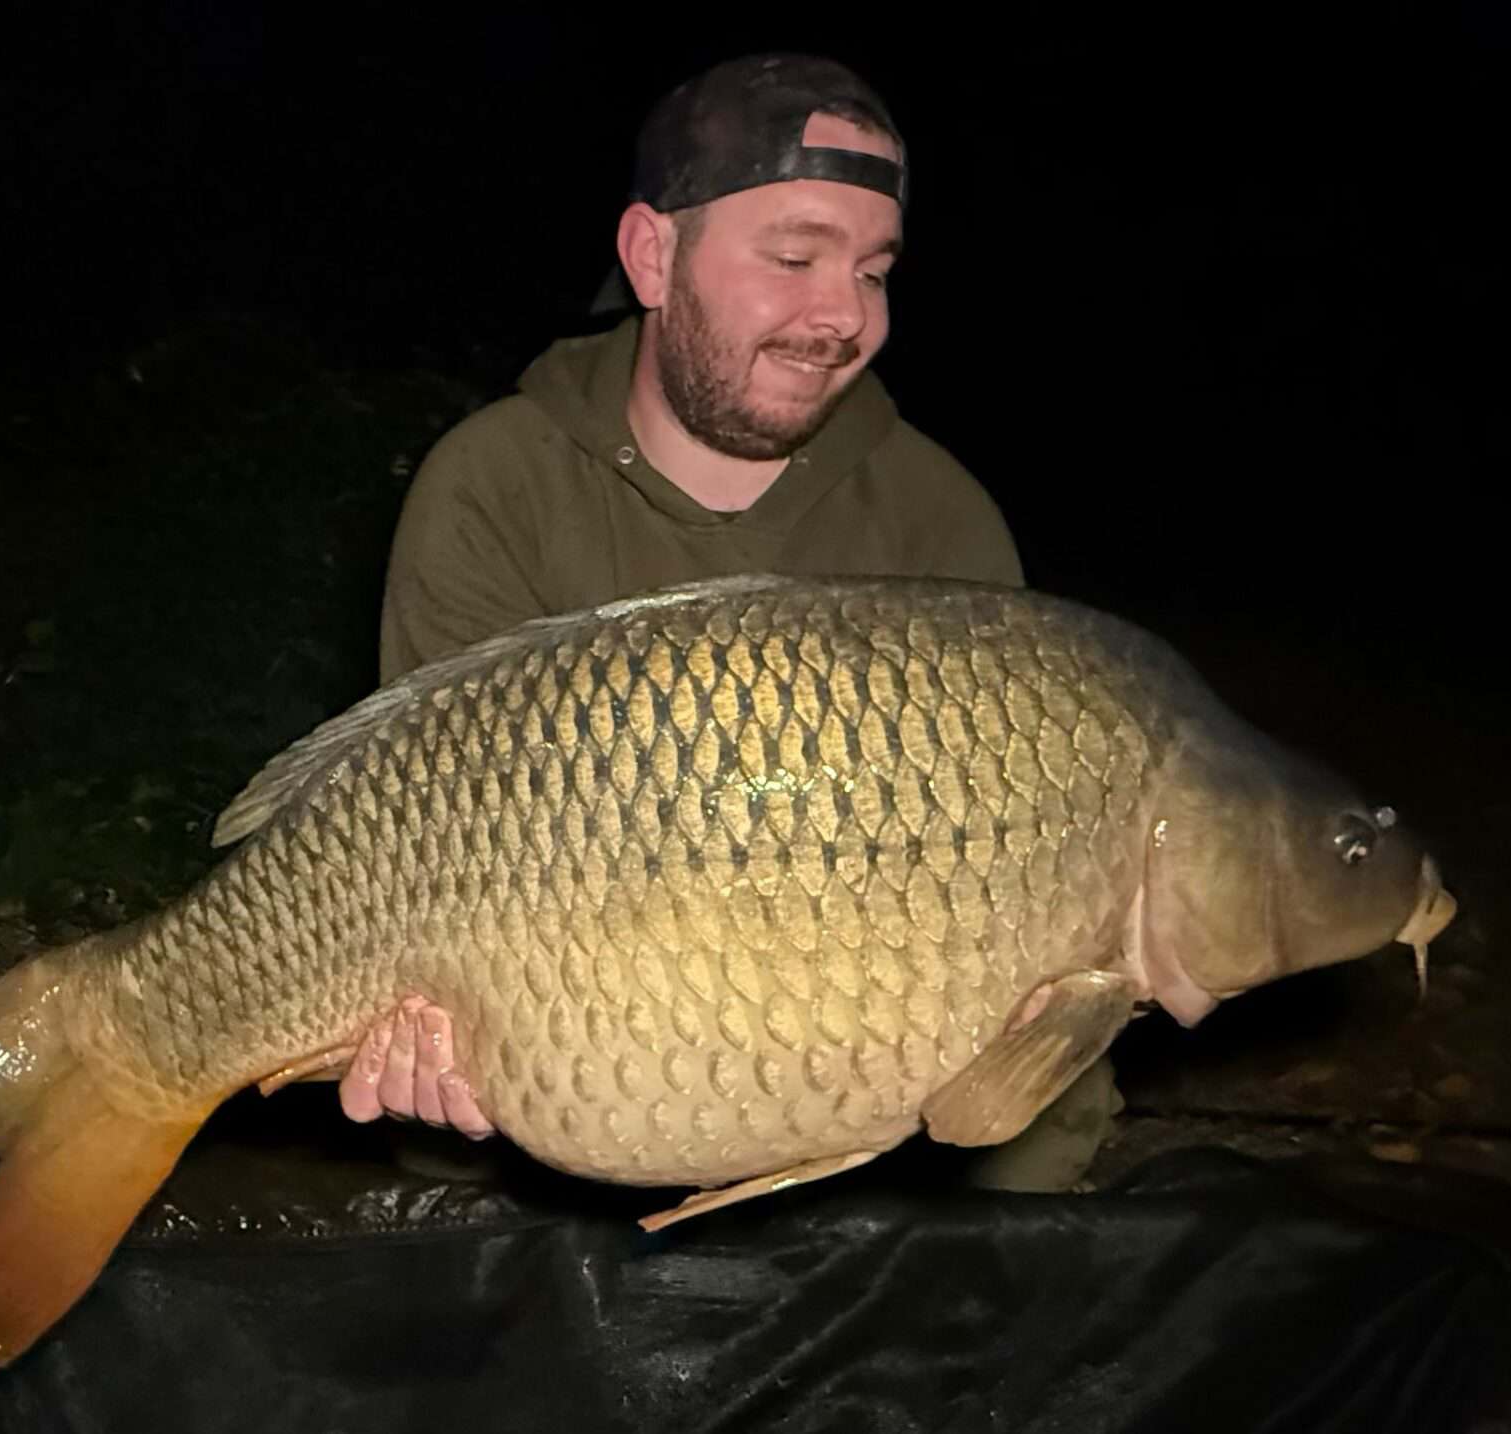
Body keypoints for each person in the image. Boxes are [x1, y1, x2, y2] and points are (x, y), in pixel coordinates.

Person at [350, 53, 1117, 1194]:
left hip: (874, 1123)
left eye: (873, 268)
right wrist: (430, 1045)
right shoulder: (494, 488)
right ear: (654, 255)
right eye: (795, 257)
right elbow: (420, 851)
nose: (842, 315)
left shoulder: (935, 522)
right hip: (561, 1106)